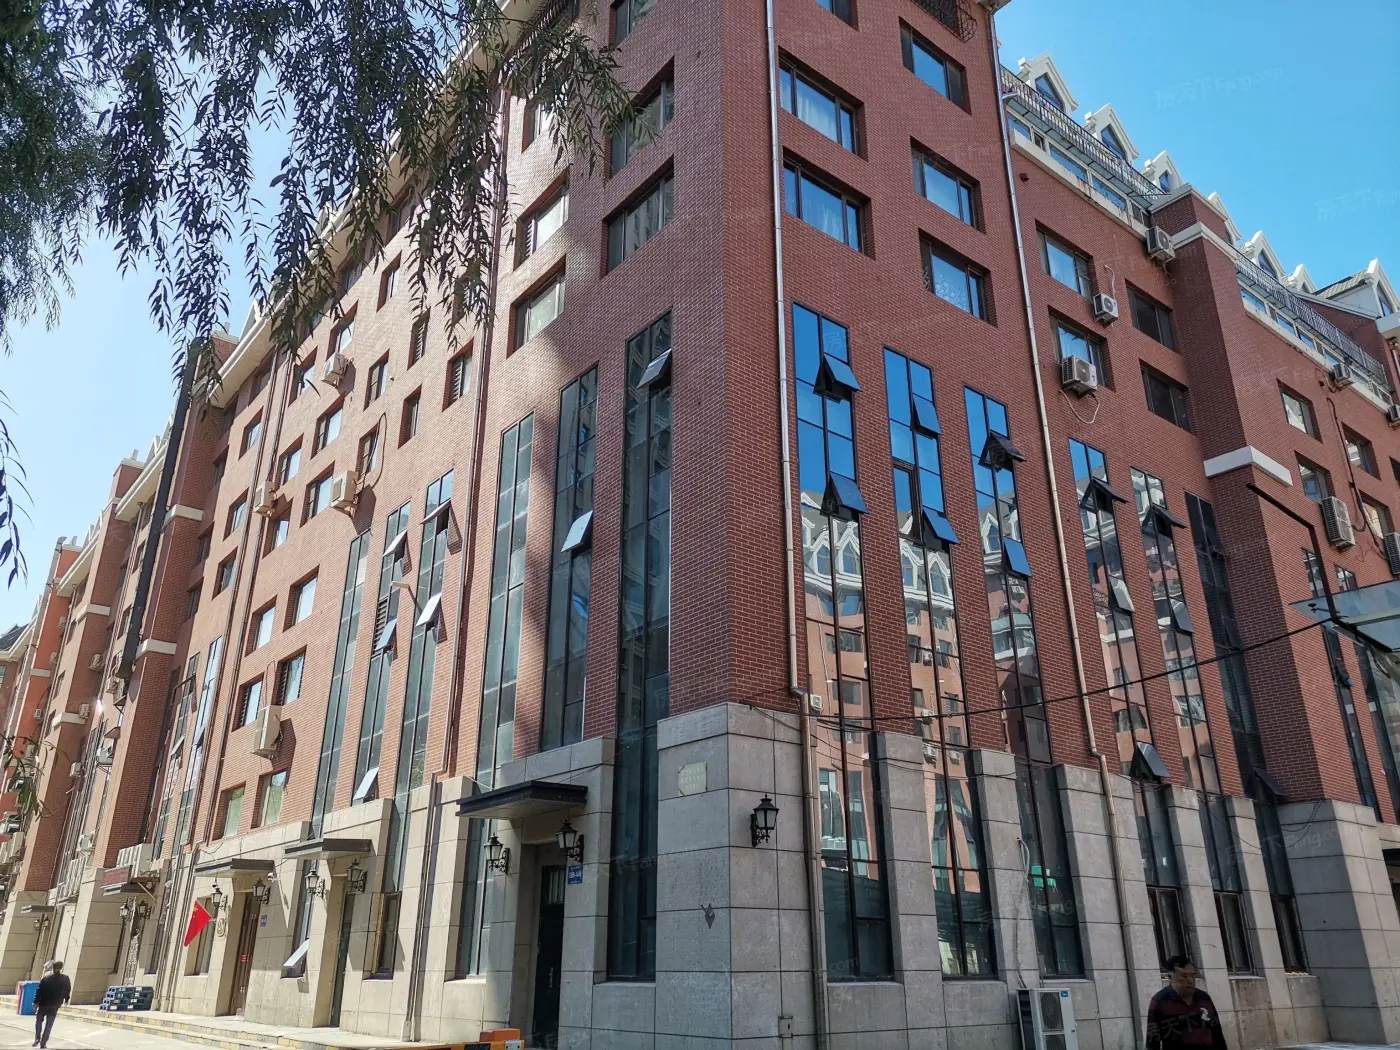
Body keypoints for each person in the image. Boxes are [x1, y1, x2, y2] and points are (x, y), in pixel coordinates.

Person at [1146, 955, 1228, 1050]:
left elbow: (1217, 1034)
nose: (1191, 980)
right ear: (1171, 977)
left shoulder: (1204, 998)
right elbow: (1152, 1041)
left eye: (1193, 975)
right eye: (1184, 976)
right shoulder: (1160, 1001)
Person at [32, 960, 70, 1048]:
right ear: (61, 968)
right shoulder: (65, 979)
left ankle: (37, 1038)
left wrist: (35, 1002)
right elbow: (67, 990)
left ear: (53, 968)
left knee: (39, 1021)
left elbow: (39, 991)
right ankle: (43, 1043)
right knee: (49, 1025)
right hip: (54, 1005)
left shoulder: (46, 978)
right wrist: (66, 999)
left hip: (43, 1004)